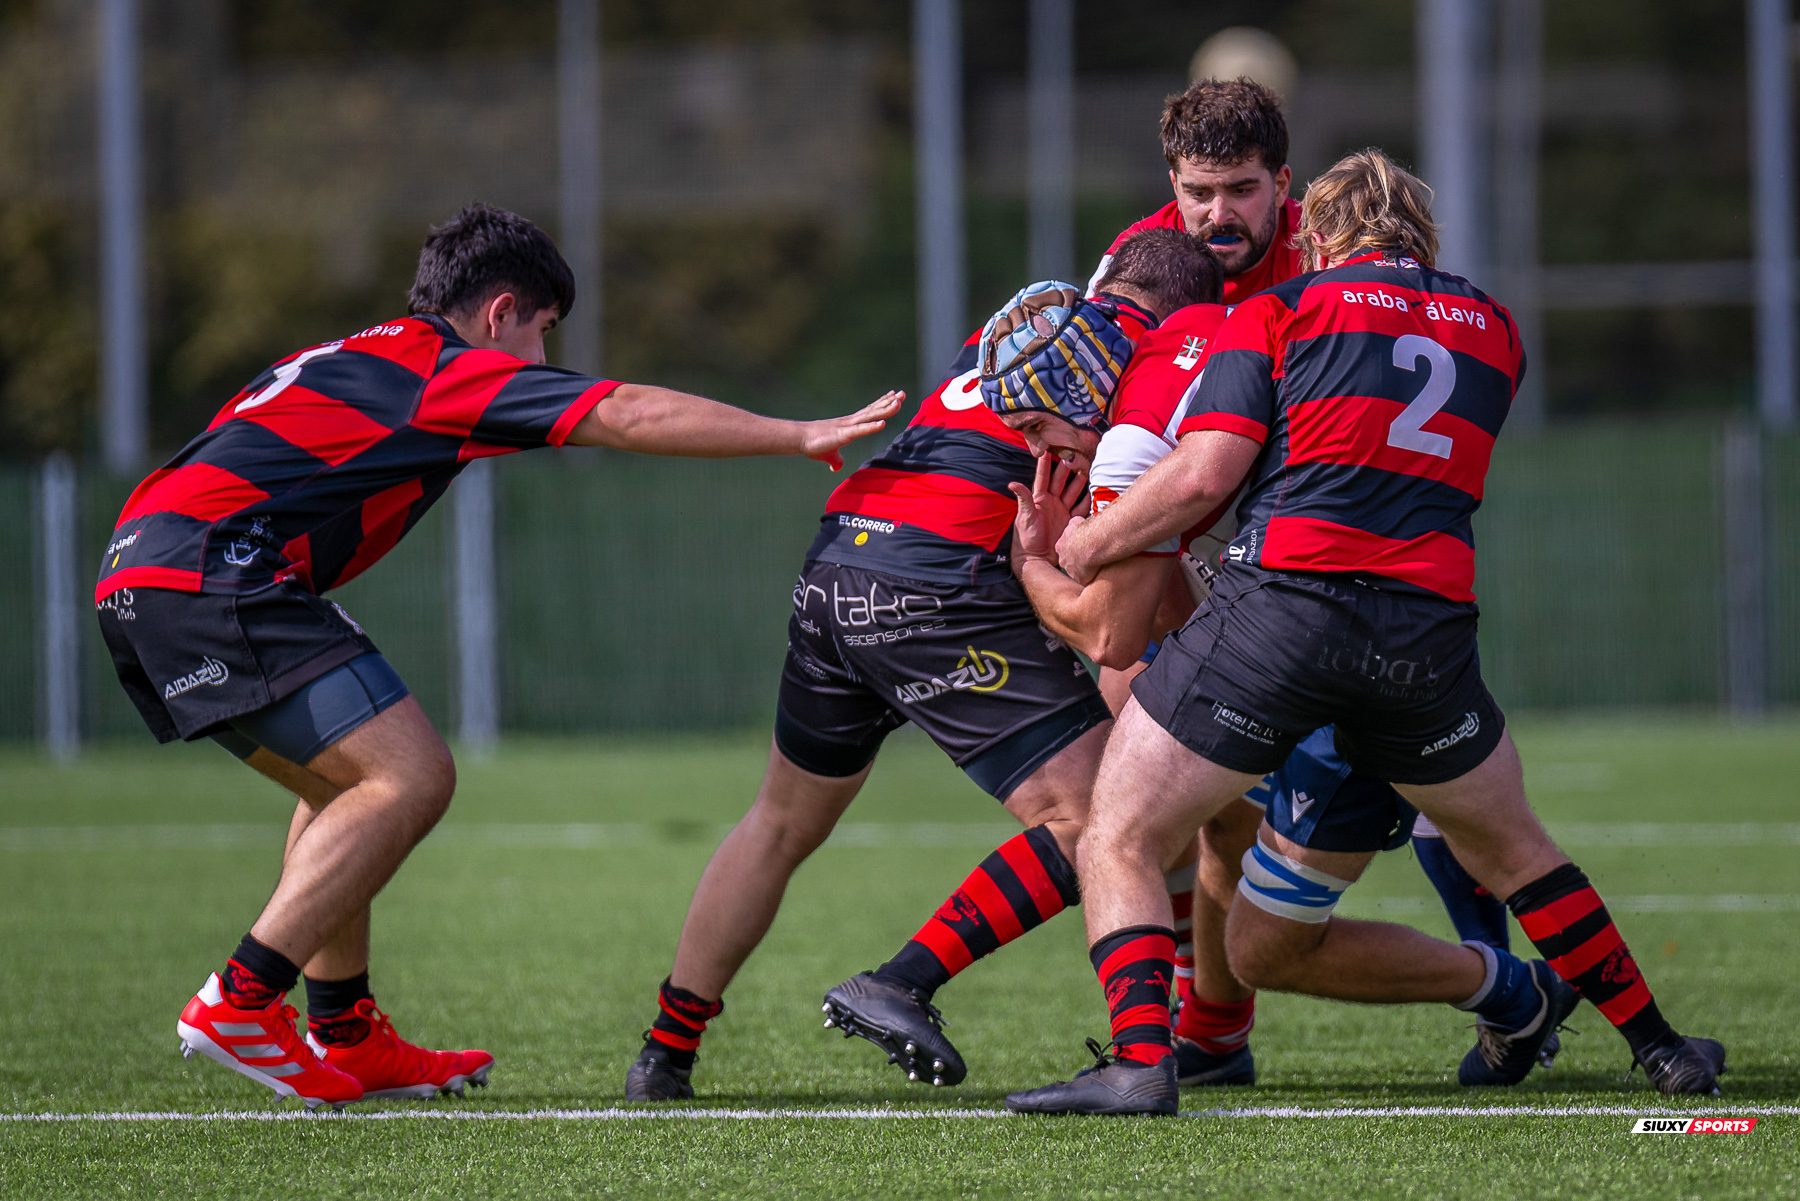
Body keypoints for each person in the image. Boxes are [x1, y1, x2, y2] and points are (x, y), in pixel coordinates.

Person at [96, 203, 900, 1112]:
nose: (543, 361)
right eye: (543, 332)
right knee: (409, 778)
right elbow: (625, 414)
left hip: (149, 565)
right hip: (212, 569)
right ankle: (241, 1000)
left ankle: (346, 1031)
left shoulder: (361, 355)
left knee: (342, 784)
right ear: (500, 311)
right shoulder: (438, 368)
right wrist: (795, 434)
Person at [1001, 150, 1725, 1116]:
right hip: (1425, 631)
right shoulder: (1499, 331)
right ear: (1420, 233)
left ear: (1322, 236)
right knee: (1516, 851)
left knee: (1122, 830)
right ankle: (1663, 1049)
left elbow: (1209, 474)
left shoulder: (1280, 309)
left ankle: (1141, 1062)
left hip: (1289, 611)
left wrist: (1082, 544)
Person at [623, 230, 1221, 1102]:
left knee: (780, 822)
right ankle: (904, 979)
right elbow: (1126, 616)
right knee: (1106, 814)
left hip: (840, 558)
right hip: (939, 579)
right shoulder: (1142, 365)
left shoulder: (1023, 331)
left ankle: (665, 1053)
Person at [1082, 77, 1518, 1090]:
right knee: (1163, 798)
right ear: (1171, 187)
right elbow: (1144, 440)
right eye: (1197, 191)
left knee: (1420, 796)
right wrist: (1107, 538)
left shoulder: (1324, 256)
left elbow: (1229, 462)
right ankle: (1213, 1038)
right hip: (1238, 562)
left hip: (1338, 568)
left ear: (1286, 187)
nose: (1215, 215)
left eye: (1239, 190)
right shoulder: (1150, 263)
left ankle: (1505, 991)